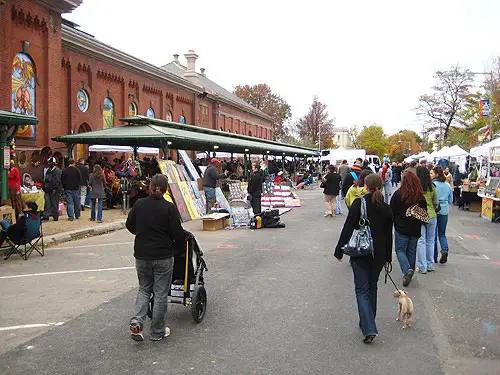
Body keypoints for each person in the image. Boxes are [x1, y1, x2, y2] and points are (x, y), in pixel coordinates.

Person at [126, 174, 187, 342]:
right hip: (163, 256)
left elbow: (129, 225)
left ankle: (137, 323)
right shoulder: (169, 208)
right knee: (160, 294)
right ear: (166, 189)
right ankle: (157, 331)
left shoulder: (139, 204)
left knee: (144, 289)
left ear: (149, 187)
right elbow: (177, 233)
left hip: (142, 255)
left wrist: (141, 233)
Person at [334, 174, 393, 344]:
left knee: (361, 289)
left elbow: (348, 228)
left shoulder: (359, 204)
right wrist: (388, 257)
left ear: (365, 186)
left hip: (361, 252)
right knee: (372, 287)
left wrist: (339, 250)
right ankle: (367, 322)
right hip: (379, 254)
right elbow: (389, 235)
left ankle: (369, 327)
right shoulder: (386, 208)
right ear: (380, 187)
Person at [390, 171, 427, 287]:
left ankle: (407, 270)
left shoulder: (398, 194)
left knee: (400, 250)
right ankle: (409, 270)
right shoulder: (420, 196)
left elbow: (392, 211)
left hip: (401, 227)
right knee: (411, 251)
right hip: (415, 227)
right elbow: (424, 212)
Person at [416, 166, 439, 274]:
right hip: (432, 215)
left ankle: (422, 266)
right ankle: (430, 264)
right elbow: (436, 202)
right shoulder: (432, 187)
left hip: (420, 215)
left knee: (421, 241)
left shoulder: (416, 187)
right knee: (430, 240)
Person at [431, 166, 453, 264]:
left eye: (431, 173)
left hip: (435, 209)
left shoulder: (433, 185)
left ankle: (434, 256)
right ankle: (444, 249)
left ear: (436, 174)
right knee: (442, 233)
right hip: (444, 210)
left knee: (433, 235)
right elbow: (451, 200)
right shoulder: (447, 185)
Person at [42, 157, 62, 221]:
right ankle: (46, 215)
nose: (48, 163)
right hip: (47, 189)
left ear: (53, 163)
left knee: (54, 203)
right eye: (48, 162)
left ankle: (55, 216)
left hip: (54, 190)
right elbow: (46, 179)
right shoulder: (49, 170)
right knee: (47, 203)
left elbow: (58, 181)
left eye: (50, 162)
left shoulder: (57, 171)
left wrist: (54, 188)